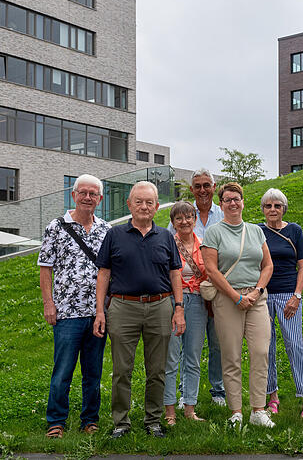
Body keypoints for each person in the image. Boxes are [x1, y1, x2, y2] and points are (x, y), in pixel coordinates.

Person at [93, 181, 186, 439]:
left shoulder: (166, 236)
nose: (144, 207)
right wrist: (100, 311)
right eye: (139, 202)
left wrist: (178, 308)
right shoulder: (114, 235)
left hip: (159, 306)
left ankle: (153, 420)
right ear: (129, 205)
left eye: (149, 203)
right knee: (122, 370)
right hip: (123, 307)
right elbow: (103, 274)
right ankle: (120, 423)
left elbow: (175, 274)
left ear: (156, 206)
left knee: (157, 370)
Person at [38, 174, 110, 439]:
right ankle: (56, 420)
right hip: (67, 312)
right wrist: (49, 304)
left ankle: (90, 419)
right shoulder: (56, 227)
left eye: (93, 194)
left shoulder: (106, 229)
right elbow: (46, 268)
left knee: (93, 372)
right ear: (74, 195)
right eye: (83, 193)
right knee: (63, 371)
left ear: (100, 199)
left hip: (98, 313)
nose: (88, 198)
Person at [201, 182, 275, 428]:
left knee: (261, 353)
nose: (233, 203)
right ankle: (236, 412)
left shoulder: (255, 231)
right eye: (227, 199)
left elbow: (267, 265)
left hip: (256, 299)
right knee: (231, 356)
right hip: (227, 299)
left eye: (237, 199)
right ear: (221, 205)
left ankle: (257, 410)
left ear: (243, 202)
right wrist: (235, 296)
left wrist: (257, 291)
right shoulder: (214, 232)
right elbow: (211, 269)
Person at [167, 168, 226, 407]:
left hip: (217, 289)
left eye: (207, 185)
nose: (202, 190)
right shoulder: (182, 213)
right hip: (185, 293)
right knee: (186, 346)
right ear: (192, 189)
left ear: (213, 187)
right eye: (198, 186)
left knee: (217, 341)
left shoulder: (223, 214)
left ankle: (218, 390)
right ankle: (183, 392)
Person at [257, 188, 303, 418]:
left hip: (288, 296)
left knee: (295, 345)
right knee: (266, 347)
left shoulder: (294, 230)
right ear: (263, 209)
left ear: (284, 208)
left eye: (277, 206)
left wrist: (297, 295)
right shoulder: (257, 231)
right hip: (263, 296)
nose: (273, 209)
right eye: (268, 206)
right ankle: (272, 396)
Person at [163, 201, 209, 425]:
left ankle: (190, 407)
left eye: (189, 217)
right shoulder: (168, 245)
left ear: (195, 219)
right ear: (173, 222)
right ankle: (169, 411)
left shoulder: (202, 245)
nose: (184, 222)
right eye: (179, 218)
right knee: (171, 358)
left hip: (198, 302)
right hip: (173, 302)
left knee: (192, 357)